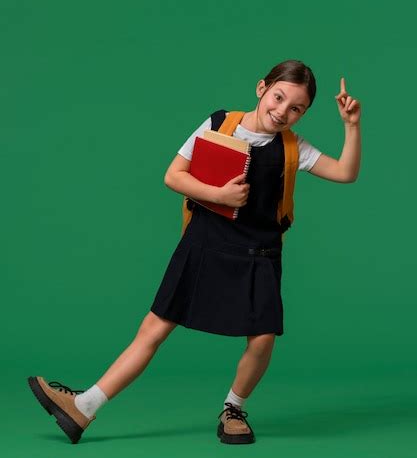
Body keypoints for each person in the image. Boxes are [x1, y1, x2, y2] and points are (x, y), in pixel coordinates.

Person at [28, 59, 361, 445]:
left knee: (264, 336)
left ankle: (233, 408)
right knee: (153, 329)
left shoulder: (292, 148)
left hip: (259, 253)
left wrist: (351, 126)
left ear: (303, 114)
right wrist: (218, 195)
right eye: (278, 97)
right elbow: (174, 175)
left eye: (296, 108)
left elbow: (345, 172)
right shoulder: (218, 125)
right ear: (261, 89)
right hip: (205, 242)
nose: (282, 111)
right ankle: (83, 407)